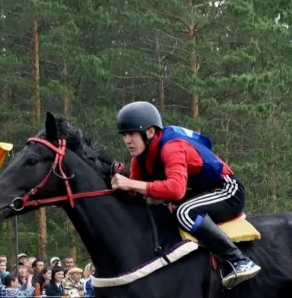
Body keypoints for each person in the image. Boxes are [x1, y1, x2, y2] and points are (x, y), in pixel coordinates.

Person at [110, 101, 261, 288]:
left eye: (132, 134)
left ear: (149, 132)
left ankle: (239, 260)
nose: (127, 141)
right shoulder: (139, 159)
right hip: (201, 194)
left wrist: (131, 183)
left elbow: (176, 189)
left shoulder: (172, 147)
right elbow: (134, 193)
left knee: (185, 212)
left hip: (228, 189)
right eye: (124, 135)